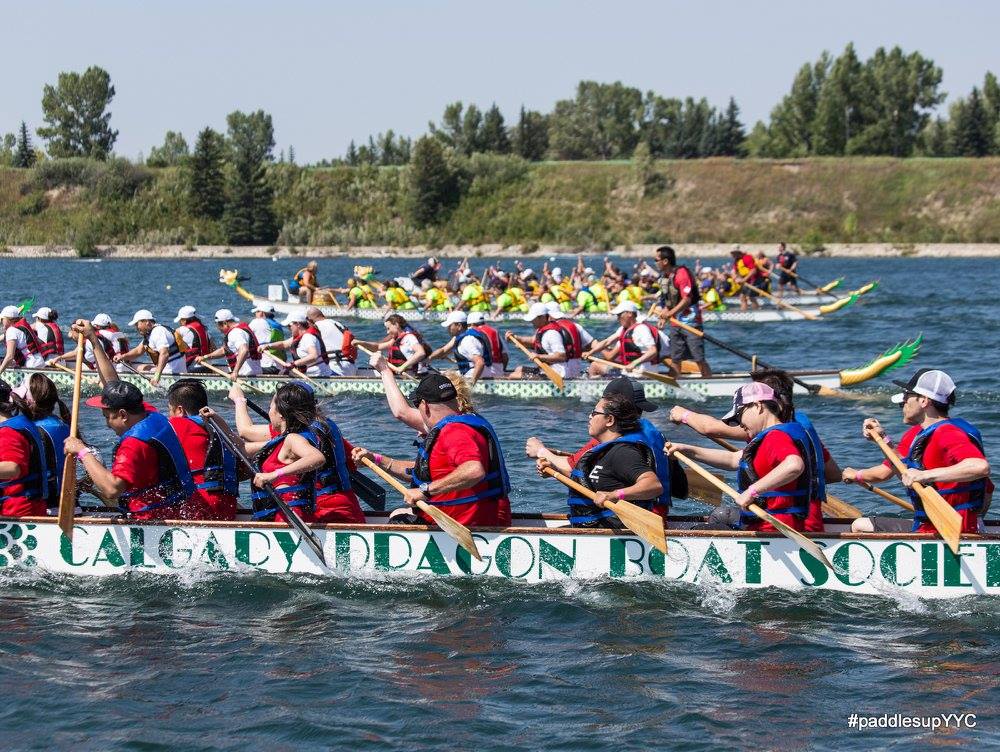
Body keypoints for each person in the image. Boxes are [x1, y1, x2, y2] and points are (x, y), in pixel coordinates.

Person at [667, 368, 840, 532]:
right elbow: (734, 460)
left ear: (759, 406)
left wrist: (752, 491)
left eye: (739, 415)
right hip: (781, 523)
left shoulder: (776, 436)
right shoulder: (792, 430)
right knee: (720, 516)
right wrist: (687, 450)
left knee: (699, 529)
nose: (739, 423)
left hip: (778, 530)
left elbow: (794, 465)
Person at [843, 369, 992, 535]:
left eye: (907, 397)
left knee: (859, 526)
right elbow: (904, 472)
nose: (904, 403)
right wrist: (882, 438)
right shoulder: (923, 433)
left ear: (923, 400)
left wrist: (924, 475)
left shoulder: (947, 432)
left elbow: (980, 467)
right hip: (935, 526)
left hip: (949, 531)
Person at [352, 373, 511, 527]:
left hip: (464, 524)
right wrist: (375, 459)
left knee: (397, 520)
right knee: (398, 513)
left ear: (424, 405)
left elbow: (474, 470)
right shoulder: (466, 422)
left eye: (416, 404)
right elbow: (420, 472)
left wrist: (425, 491)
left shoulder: (455, 431)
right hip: (470, 518)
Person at [528, 377, 673, 522]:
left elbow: (653, 484)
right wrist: (554, 471)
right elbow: (588, 479)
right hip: (657, 511)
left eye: (594, 412)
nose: (589, 416)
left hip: (639, 518)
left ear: (611, 417)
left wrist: (542, 451)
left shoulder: (619, 447)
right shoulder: (655, 434)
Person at [229, 382, 363, 523]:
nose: (270, 412)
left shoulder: (294, 435)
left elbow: (245, 431)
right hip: (348, 505)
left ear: (282, 414)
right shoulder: (329, 427)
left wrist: (239, 400)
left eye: (271, 407)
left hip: (321, 512)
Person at [65, 381, 196, 521]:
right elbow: (112, 379)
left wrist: (82, 451)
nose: (107, 425)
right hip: (180, 507)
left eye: (107, 417)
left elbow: (112, 489)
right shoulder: (155, 416)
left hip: (152, 519)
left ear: (123, 415)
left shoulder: (134, 444)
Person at [164, 379, 242, 521]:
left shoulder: (177, 424)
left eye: (170, 409)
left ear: (180, 410)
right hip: (227, 503)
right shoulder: (219, 427)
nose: (169, 415)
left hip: (199, 503)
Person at [17, 373, 71, 515]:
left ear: (29, 401)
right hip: (68, 502)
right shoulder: (64, 425)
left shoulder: (31, 430)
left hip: (43, 506)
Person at [655, 246, 711, 378]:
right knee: (675, 358)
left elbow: (687, 299)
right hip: (675, 324)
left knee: (698, 358)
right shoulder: (664, 278)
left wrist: (669, 314)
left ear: (665, 261)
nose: (655, 262)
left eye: (656, 259)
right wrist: (663, 317)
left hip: (690, 323)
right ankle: (674, 384)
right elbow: (667, 303)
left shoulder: (681, 273)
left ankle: (708, 381)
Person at [0, 379, 49, 517]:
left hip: (16, 512)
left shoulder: (7, 431)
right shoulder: (21, 423)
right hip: (31, 505)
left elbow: (12, 468)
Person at [586, 301, 664, 376]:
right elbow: (607, 342)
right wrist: (590, 352)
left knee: (594, 366)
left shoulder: (641, 329)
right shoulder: (623, 329)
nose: (618, 318)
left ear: (629, 314)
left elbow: (653, 351)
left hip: (641, 373)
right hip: (629, 372)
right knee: (595, 365)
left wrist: (634, 363)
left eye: (620, 315)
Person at [508, 302, 583, 380]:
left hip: (560, 374)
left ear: (542, 317)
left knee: (513, 376)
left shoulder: (552, 333)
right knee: (519, 369)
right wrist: (514, 338)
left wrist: (539, 356)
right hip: (550, 369)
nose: (531, 321)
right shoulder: (543, 331)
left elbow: (561, 356)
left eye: (533, 319)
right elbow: (533, 343)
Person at [114, 309, 187, 385]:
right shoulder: (151, 334)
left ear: (147, 322)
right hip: (170, 368)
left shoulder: (158, 332)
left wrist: (156, 376)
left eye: (137, 324)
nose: (136, 328)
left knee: (138, 368)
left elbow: (164, 354)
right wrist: (122, 357)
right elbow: (138, 351)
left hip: (172, 372)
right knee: (138, 366)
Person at [430, 311, 491, 385]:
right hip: (471, 372)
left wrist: (471, 384)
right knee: (446, 374)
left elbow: (480, 362)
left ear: (459, 326)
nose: (448, 329)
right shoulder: (460, 337)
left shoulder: (468, 340)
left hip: (476, 375)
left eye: (450, 326)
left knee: (441, 380)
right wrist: (428, 358)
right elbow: (443, 351)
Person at [199, 309, 262, 378]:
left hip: (246, 376)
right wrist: (205, 357)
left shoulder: (235, 333)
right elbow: (224, 350)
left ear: (225, 323)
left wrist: (235, 371)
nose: (218, 329)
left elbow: (244, 350)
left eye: (218, 326)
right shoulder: (238, 330)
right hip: (248, 374)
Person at [361, 314, 431, 376]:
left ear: (396, 325)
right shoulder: (396, 339)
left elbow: (421, 353)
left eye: (388, 328)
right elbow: (377, 347)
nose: (387, 332)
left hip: (411, 375)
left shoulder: (409, 338)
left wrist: (402, 367)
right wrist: (360, 343)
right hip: (401, 374)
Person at [272, 312, 334, 377]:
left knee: (283, 376)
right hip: (309, 374)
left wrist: (294, 364)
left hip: (318, 376)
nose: (288, 328)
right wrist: (267, 346)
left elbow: (313, 356)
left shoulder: (308, 337)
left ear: (298, 324)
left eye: (289, 326)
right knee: (283, 373)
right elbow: (283, 344)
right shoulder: (301, 336)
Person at [306, 307, 357, 376]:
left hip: (336, 368)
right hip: (351, 367)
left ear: (309, 320)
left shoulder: (316, 327)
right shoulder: (337, 324)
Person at [0, 304, 45, 374]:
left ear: (8, 319)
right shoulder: (21, 327)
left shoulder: (11, 330)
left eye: (2, 319)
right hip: (40, 362)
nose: (1, 321)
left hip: (31, 366)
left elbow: (9, 357)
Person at [247, 303, 286, 374]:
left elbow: (245, 336)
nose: (255, 314)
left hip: (266, 365)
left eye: (256, 312)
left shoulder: (257, 322)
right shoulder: (277, 325)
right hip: (279, 366)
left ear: (261, 313)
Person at [173, 305, 213, 371]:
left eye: (180, 320)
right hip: (208, 367)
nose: (179, 322)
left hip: (192, 368)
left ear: (184, 320)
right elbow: (213, 348)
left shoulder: (181, 330)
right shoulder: (205, 330)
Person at [468, 311, 507, 376]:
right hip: (498, 370)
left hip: (482, 372)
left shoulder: (471, 333)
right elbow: (505, 357)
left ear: (471, 324)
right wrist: (502, 371)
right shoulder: (495, 332)